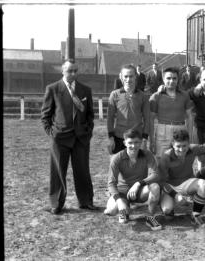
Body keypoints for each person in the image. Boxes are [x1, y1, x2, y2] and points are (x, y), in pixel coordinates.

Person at [41, 59, 97, 214]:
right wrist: (52, 133)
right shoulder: (53, 89)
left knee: (82, 170)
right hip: (60, 139)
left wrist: (88, 131)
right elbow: (45, 115)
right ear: (62, 71)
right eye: (69, 70)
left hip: (81, 138)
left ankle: (86, 201)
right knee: (58, 171)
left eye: (75, 71)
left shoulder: (85, 90)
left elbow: (91, 115)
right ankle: (56, 204)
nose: (73, 73)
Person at [159, 129, 205, 228]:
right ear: (172, 144)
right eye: (178, 146)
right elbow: (161, 182)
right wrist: (175, 195)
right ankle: (169, 209)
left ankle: (195, 215)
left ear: (188, 144)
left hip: (187, 183)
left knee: (203, 184)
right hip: (171, 186)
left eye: (184, 146)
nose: (181, 149)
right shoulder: (166, 157)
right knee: (167, 210)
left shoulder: (193, 149)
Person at [104, 129, 162, 229]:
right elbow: (111, 183)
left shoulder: (147, 154)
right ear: (124, 143)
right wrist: (119, 201)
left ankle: (150, 218)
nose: (133, 146)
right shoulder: (117, 158)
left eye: (136, 142)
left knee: (155, 187)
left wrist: (138, 184)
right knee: (112, 211)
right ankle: (124, 208)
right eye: (130, 143)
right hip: (122, 191)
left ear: (141, 142)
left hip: (138, 191)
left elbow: (156, 174)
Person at [149, 67, 194, 157]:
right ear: (163, 79)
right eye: (168, 78)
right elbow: (151, 119)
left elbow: (190, 117)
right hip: (163, 131)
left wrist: (189, 137)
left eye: (174, 78)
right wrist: (152, 140)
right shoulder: (156, 96)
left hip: (181, 129)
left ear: (178, 80)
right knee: (162, 160)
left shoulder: (185, 95)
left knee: (180, 160)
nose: (171, 81)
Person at [107, 64, 150, 154]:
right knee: (118, 166)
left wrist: (145, 139)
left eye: (131, 76)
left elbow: (147, 119)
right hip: (119, 137)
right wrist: (110, 138)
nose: (128, 79)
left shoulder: (143, 96)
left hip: (137, 139)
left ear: (135, 77)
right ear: (121, 78)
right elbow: (110, 118)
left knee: (137, 167)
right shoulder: (114, 94)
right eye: (125, 76)